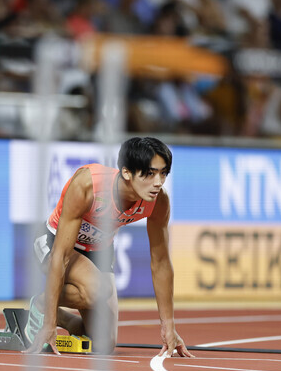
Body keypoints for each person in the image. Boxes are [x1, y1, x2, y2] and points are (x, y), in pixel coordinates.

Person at [25, 137, 193, 357]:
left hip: (98, 251)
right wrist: (49, 324)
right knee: (98, 289)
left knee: (104, 343)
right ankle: (41, 305)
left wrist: (168, 326)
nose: (158, 182)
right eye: (150, 174)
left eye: (163, 173)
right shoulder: (87, 186)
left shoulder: (158, 202)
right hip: (56, 242)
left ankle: (62, 315)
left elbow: (160, 262)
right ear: (126, 172)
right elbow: (61, 255)